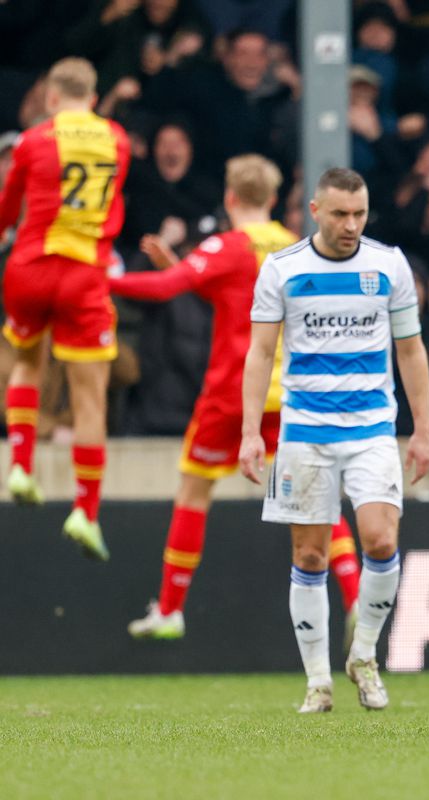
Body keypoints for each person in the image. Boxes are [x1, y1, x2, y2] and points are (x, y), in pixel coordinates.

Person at [113, 154, 361, 640]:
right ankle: (355, 598)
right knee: (317, 501)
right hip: (292, 394)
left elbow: (165, 288)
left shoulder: (226, 246)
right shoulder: (297, 248)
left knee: (193, 493)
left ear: (230, 198)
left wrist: (102, 281)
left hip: (234, 392)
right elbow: (244, 299)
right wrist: (192, 272)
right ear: (271, 200)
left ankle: (169, 609)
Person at [238, 167, 429, 713]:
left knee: (379, 540)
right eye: (341, 214)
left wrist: (422, 429)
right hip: (304, 431)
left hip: (372, 427)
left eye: (360, 214)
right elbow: (258, 354)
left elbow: (411, 351)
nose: (351, 225)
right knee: (310, 551)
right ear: (316, 210)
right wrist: (251, 431)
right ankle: (318, 681)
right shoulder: (281, 268)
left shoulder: (388, 264)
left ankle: (364, 656)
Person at [0, 57, 131, 560]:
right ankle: (86, 509)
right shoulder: (117, 139)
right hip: (84, 276)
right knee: (89, 395)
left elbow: (9, 205)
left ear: (52, 98)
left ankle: (19, 464)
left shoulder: (33, 141)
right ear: (93, 98)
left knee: (28, 362)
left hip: (30, 268)